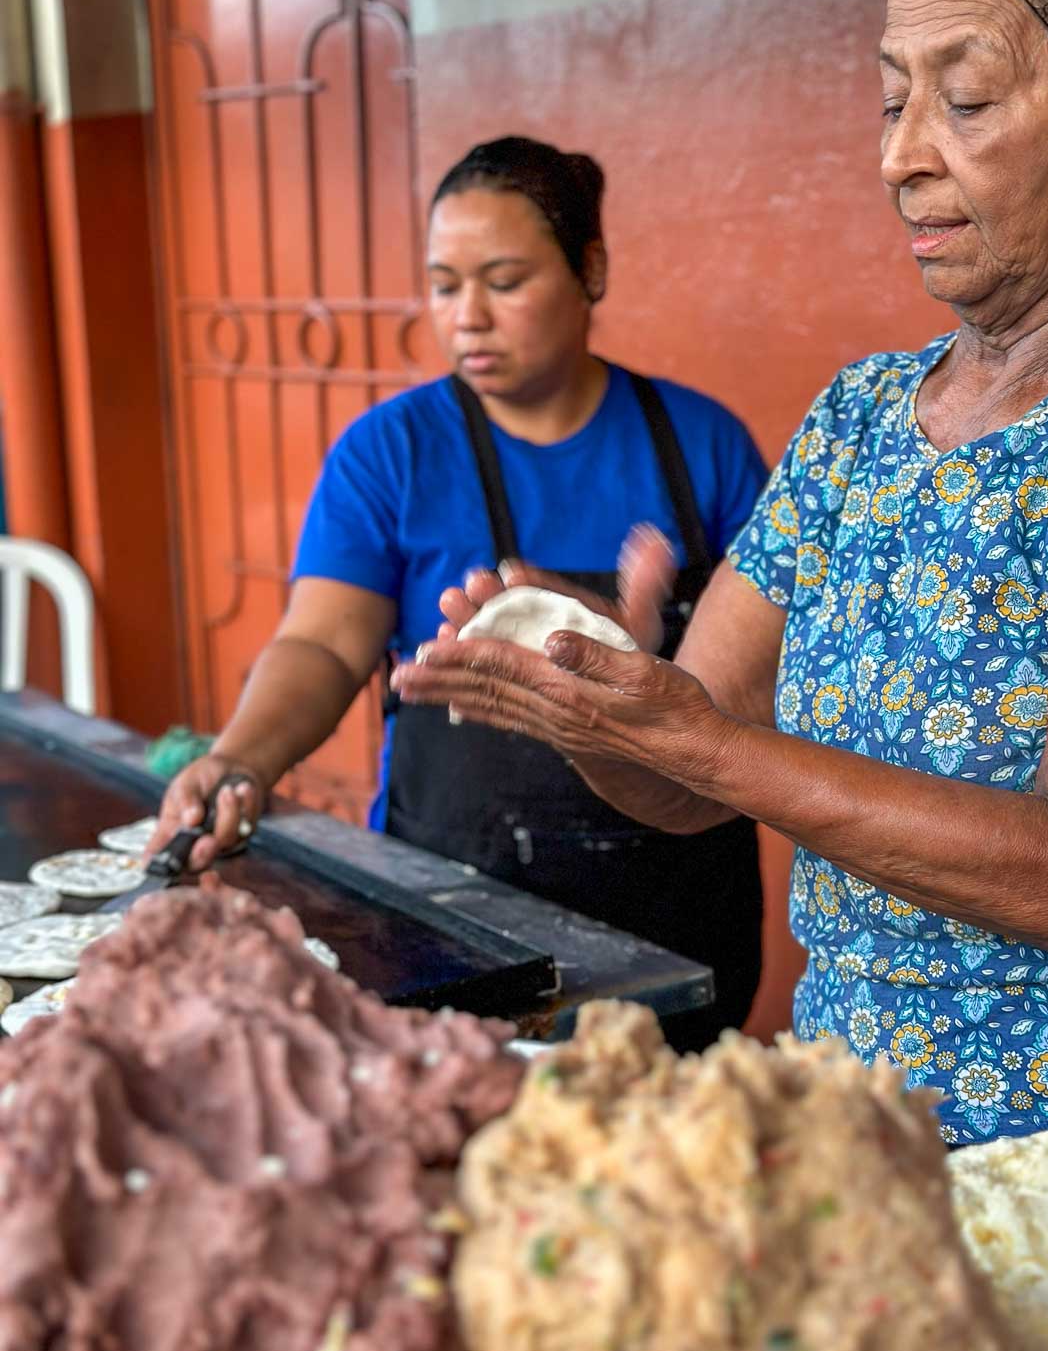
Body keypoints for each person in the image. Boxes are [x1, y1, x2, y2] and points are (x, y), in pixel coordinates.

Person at [393, 0, 1048, 1145]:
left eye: (968, 99)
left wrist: (703, 744)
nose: (899, 155)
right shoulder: (858, 419)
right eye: (892, 100)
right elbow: (685, 775)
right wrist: (593, 695)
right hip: (852, 1130)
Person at [151, 136, 769, 1049]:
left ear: (588, 271)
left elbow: (755, 687)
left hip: (674, 924)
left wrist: (646, 657)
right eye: (444, 285)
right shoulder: (390, 453)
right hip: (451, 918)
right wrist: (242, 757)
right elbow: (321, 644)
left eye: (504, 280)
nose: (466, 316)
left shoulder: (701, 447)